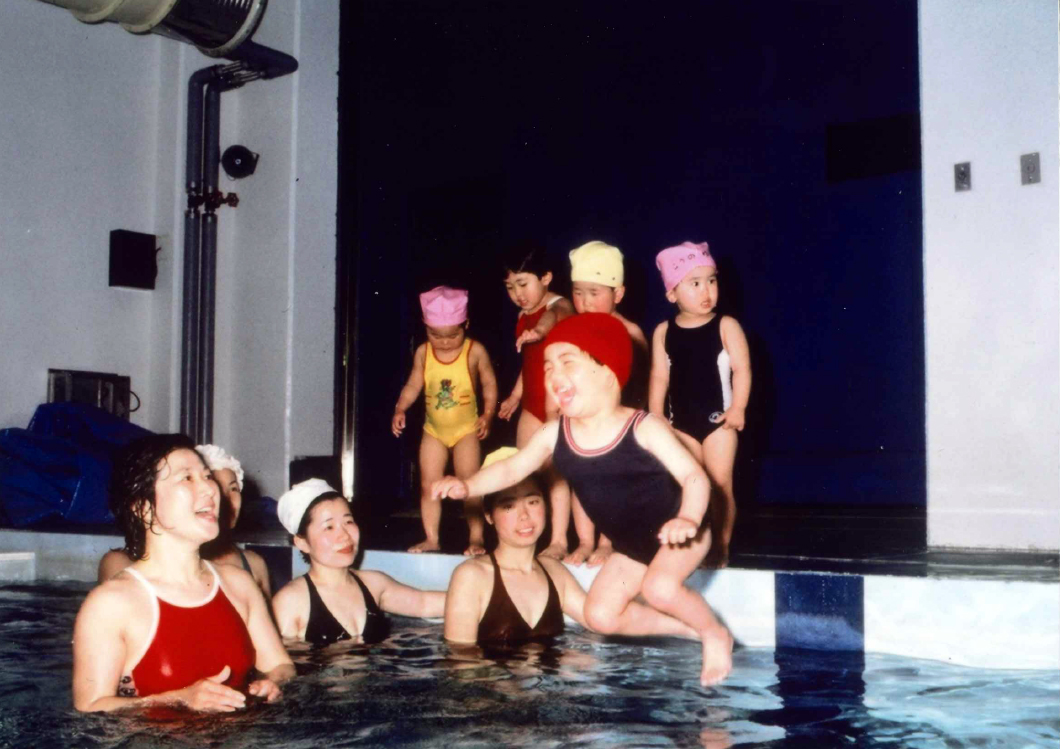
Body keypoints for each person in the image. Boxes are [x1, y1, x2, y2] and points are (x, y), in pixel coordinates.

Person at [434, 314, 733, 686]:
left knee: (659, 588)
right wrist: (468, 485)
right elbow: (512, 468)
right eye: (548, 367)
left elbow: (695, 477)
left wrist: (687, 518)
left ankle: (713, 632)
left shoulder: (642, 427)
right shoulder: (555, 433)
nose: (554, 375)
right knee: (600, 616)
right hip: (633, 546)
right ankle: (689, 628)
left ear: (608, 373)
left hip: (684, 533)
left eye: (568, 363)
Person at [72, 434, 294, 712]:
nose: (211, 489)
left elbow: (281, 666)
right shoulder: (111, 603)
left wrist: (272, 684)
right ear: (144, 508)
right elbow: (90, 708)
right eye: (187, 478)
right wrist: (178, 700)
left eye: (207, 476)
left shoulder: (239, 584)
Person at [445, 448, 697, 647]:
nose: (524, 516)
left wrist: (692, 630)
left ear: (546, 505)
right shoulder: (471, 576)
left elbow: (600, 620)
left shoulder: (554, 572)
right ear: (488, 515)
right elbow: (461, 666)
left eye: (533, 502)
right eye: (508, 506)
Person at [649, 241, 751, 568]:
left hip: (719, 422)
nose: (707, 290)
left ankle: (721, 544)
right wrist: (655, 414)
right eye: (695, 283)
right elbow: (659, 377)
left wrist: (738, 408)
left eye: (712, 280)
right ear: (672, 293)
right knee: (690, 487)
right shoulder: (663, 332)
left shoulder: (726, 326)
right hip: (681, 425)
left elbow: (742, 369)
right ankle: (695, 544)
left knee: (720, 485)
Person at [272, 479, 447, 645]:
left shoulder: (373, 584)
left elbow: (424, 603)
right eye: (329, 527)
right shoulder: (291, 602)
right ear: (302, 542)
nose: (345, 535)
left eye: (348, 521)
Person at [392, 286, 498, 555]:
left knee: (469, 483)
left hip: (466, 430)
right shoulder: (423, 353)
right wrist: (400, 408)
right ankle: (431, 538)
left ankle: (476, 538)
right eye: (435, 335)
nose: (445, 342)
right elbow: (413, 385)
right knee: (428, 485)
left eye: (453, 335)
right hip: (434, 431)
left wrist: (487, 415)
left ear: (466, 325)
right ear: (425, 327)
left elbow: (489, 383)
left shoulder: (474, 351)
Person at [564, 240, 650, 567]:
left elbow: (642, 382)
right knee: (580, 480)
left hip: (618, 421)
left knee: (614, 481)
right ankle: (585, 540)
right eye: (578, 292)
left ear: (618, 293)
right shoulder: (571, 330)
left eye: (594, 292)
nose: (585, 302)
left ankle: (608, 540)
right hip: (582, 420)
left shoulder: (630, 332)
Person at [97, 444, 271, 596]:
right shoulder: (120, 565)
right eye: (188, 479)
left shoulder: (247, 574)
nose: (219, 496)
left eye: (234, 489)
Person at [497, 244, 575, 560]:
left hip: (557, 404)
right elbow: (528, 364)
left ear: (545, 277)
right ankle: (524, 534)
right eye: (510, 287)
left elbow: (553, 317)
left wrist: (539, 330)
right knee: (524, 472)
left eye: (523, 283)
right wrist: (515, 396)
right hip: (531, 404)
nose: (518, 294)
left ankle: (559, 540)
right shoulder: (522, 316)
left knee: (556, 474)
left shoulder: (560, 304)